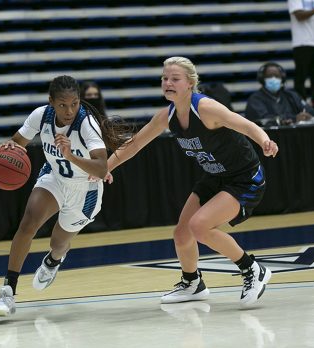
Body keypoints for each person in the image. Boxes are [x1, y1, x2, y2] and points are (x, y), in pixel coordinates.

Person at [103, 57, 279, 307]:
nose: (168, 83)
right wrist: (105, 168)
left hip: (244, 178)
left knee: (199, 226)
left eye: (175, 79)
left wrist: (264, 141)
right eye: (165, 78)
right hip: (215, 176)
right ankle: (192, 283)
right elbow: (135, 145)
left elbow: (245, 124)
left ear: (190, 84)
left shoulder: (206, 108)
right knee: (182, 233)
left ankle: (252, 269)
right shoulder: (167, 116)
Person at [0, 75, 132, 317]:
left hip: (84, 189)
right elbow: (18, 142)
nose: (69, 110)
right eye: (63, 105)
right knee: (28, 222)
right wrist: (8, 148)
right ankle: (7, 292)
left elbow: (101, 168)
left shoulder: (87, 124)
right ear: (51, 102)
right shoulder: (40, 116)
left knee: (58, 243)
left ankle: (54, 260)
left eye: (74, 104)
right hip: (54, 176)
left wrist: (71, 156)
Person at [245, 62, 314, 126]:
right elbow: (264, 120)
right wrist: (294, 119)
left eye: (277, 76)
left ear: (282, 79)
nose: (273, 79)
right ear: (262, 79)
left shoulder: (291, 95)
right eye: (269, 76)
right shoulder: (255, 99)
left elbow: (309, 111)